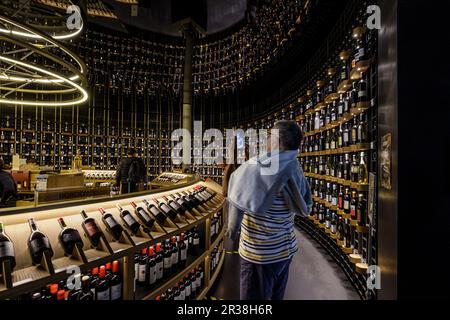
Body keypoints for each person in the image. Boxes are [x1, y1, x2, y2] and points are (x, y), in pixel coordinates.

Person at [226, 120, 312, 300]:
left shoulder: (256, 167)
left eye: (269, 136)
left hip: (259, 256)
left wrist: (232, 232)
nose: (265, 140)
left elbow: (237, 202)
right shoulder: (294, 167)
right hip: (285, 250)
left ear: (277, 140)